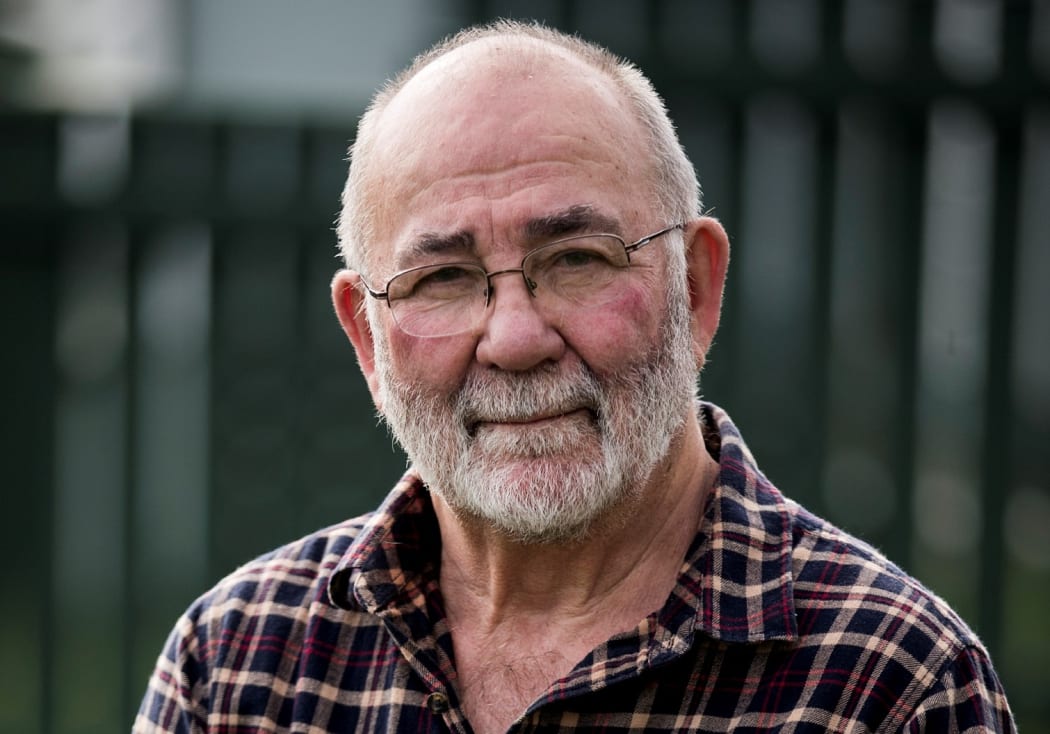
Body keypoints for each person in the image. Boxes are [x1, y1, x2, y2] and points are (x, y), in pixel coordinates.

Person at [136, 20, 1015, 733]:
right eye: (442, 279)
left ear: (696, 287)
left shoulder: (890, 685)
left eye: (577, 259)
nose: (515, 339)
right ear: (367, 338)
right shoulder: (237, 669)